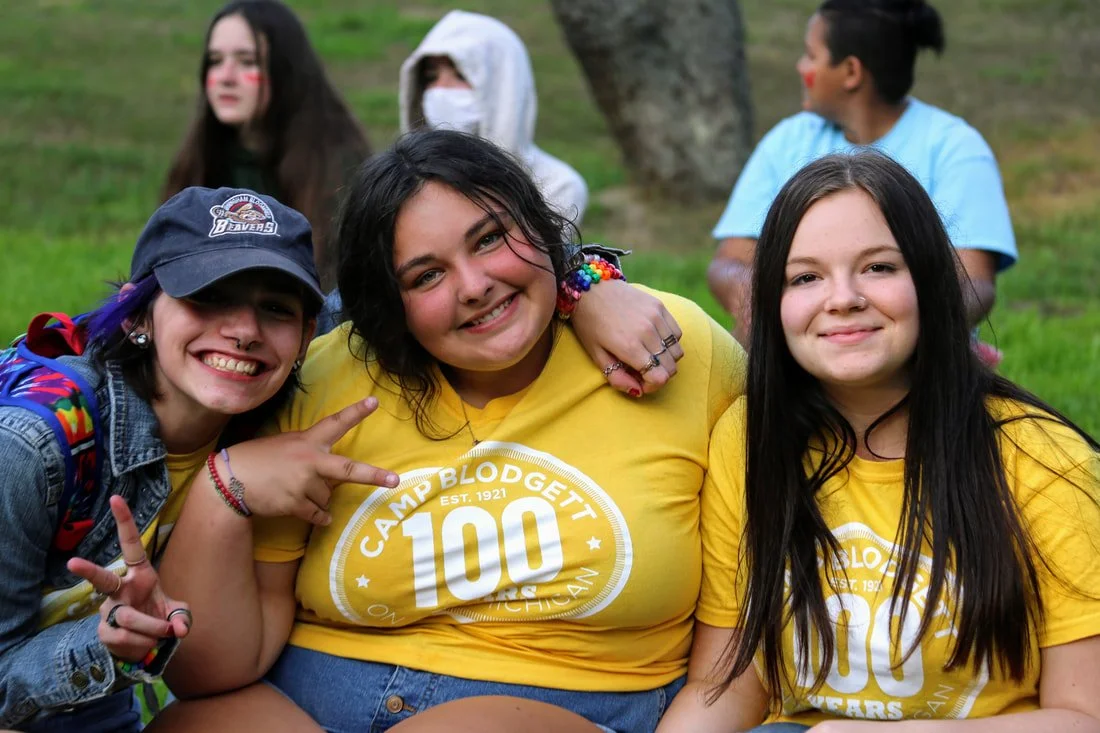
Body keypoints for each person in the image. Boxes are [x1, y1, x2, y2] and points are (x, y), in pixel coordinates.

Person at [147, 129, 746, 733]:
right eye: (425, 276)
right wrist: (226, 485)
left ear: (541, 227)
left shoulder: (671, 348)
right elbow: (206, 672)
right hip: (309, 699)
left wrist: (588, 282)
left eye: (489, 239)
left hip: (574, 704)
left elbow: (770, 585)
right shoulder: (329, 375)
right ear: (390, 305)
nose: (474, 285)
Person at [657, 151, 1100, 732]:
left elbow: (1084, 716)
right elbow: (728, 685)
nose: (841, 298)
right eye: (805, 276)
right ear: (773, 302)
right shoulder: (749, 440)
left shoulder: (1042, 457)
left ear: (930, 281)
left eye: (879, 268)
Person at [0, 186, 337, 731]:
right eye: (207, 296)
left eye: (276, 308)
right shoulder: (33, 446)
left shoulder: (265, 428)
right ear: (138, 315)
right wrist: (101, 641)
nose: (245, 331)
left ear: (304, 340)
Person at [708, 0, 1016, 347]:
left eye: (811, 55)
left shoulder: (955, 147)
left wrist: (900, 331)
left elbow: (974, 281)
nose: (800, 66)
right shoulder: (788, 140)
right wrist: (758, 300)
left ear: (851, 72)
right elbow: (729, 262)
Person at [162, 0, 370, 287]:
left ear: (285, 71)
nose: (226, 77)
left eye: (247, 61)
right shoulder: (201, 158)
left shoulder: (337, 167)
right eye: (215, 60)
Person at [399, 9, 588, 224]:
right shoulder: (404, 184)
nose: (440, 89)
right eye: (431, 77)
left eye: (461, 75)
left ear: (503, 83)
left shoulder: (556, 186)